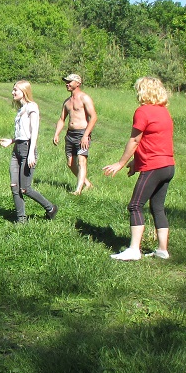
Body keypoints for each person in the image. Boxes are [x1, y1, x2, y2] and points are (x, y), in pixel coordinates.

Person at [102, 77, 176, 261]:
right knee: (157, 207)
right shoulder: (164, 112)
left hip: (154, 166)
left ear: (144, 91)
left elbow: (135, 140)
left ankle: (134, 250)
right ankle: (162, 250)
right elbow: (155, 141)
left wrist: (120, 163)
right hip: (168, 166)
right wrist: (136, 162)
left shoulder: (143, 111)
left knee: (135, 205)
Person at [0, 81, 58, 224]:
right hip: (17, 150)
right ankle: (21, 219)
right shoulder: (21, 109)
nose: (12, 93)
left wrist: (31, 153)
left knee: (25, 188)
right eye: (13, 90)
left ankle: (51, 208)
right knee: (14, 186)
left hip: (27, 149)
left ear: (24, 91)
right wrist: (11, 141)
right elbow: (22, 133)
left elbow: (34, 131)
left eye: (15, 90)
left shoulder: (32, 107)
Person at [53, 73, 98, 195]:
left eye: (69, 82)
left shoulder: (84, 98)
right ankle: (87, 183)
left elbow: (94, 117)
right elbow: (62, 119)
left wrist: (85, 135)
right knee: (70, 163)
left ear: (78, 83)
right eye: (66, 82)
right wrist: (56, 134)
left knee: (81, 161)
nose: (67, 84)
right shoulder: (67, 102)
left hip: (82, 133)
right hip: (70, 134)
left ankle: (78, 190)